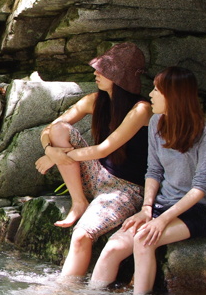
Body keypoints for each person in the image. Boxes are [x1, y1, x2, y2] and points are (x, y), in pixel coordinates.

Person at [89, 66, 206, 295]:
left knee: (144, 240)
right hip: (163, 205)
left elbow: (201, 187)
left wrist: (161, 222)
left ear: (174, 96)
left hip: (201, 209)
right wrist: (147, 209)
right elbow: (153, 171)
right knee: (113, 247)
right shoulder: (156, 123)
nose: (150, 94)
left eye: (156, 90)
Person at [34, 42, 152, 281]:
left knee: (81, 235)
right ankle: (79, 202)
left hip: (126, 188)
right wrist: (50, 149)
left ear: (120, 77)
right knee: (60, 130)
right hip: (96, 176)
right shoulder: (94, 100)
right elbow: (50, 129)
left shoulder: (141, 109)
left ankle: (65, 289)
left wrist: (57, 158)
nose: (95, 73)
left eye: (104, 70)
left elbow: (104, 149)